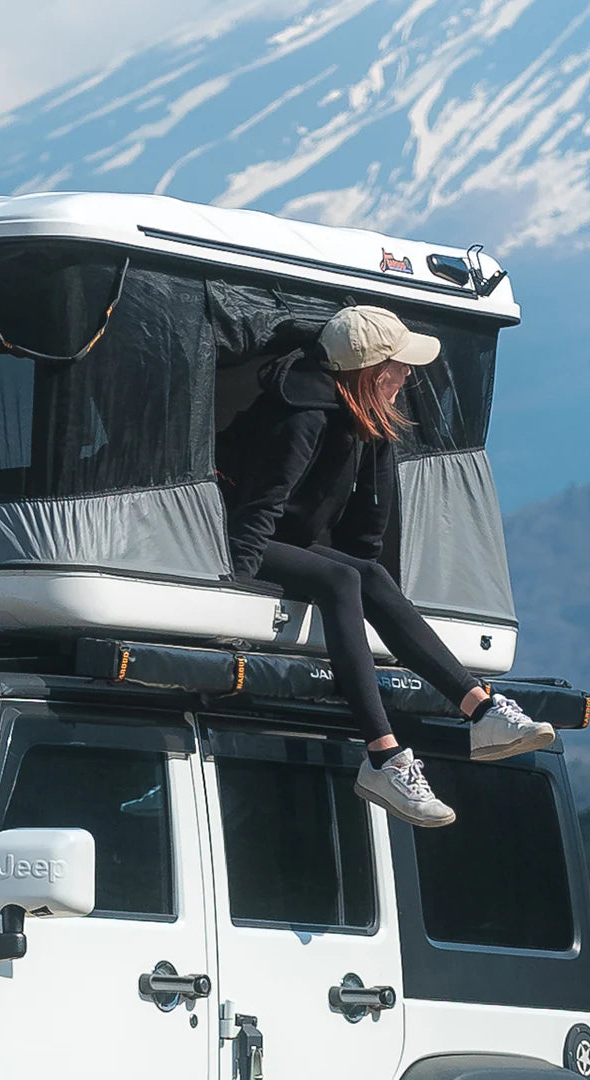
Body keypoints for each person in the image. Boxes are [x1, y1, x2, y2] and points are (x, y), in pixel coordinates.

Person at [217, 305, 554, 828]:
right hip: (243, 540)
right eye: (398, 365)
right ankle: (383, 756)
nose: (408, 374)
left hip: (289, 542)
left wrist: (371, 600)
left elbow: (365, 532)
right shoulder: (302, 415)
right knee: (342, 578)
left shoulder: (366, 416)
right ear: (372, 372)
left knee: (364, 575)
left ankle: (482, 710)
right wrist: (236, 593)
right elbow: (257, 513)